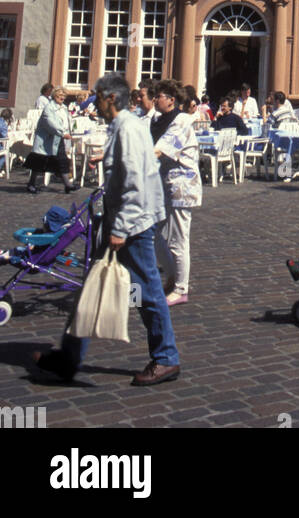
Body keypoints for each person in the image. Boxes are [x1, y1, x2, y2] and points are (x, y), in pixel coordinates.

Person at [33, 73, 180, 386]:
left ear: (110, 98)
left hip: (132, 225)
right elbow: (134, 167)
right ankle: (68, 357)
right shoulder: (126, 126)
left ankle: (166, 358)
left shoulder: (127, 127)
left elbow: (136, 182)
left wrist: (121, 228)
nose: (93, 101)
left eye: (97, 96)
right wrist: (107, 157)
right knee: (94, 288)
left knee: (147, 292)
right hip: (126, 221)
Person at [151, 80, 202, 307]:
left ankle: (181, 288)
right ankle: (172, 277)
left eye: (158, 96)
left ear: (171, 100)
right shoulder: (157, 119)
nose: (155, 100)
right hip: (164, 185)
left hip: (182, 187)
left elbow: (160, 149)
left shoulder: (181, 121)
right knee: (156, 233)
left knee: (179, 239)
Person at [25, 86, 74, 194]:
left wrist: (69, 131)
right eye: (60, 95)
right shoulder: (49, 108)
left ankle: (67, 185)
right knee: (39, 162)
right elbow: (51, 123)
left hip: (57, 140)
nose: (62, 98)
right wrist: (62, 133)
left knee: (62, 160)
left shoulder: (64, 108)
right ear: (54, 96)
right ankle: (31, 184)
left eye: (64, 96)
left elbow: (67, 121)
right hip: (45, 140)